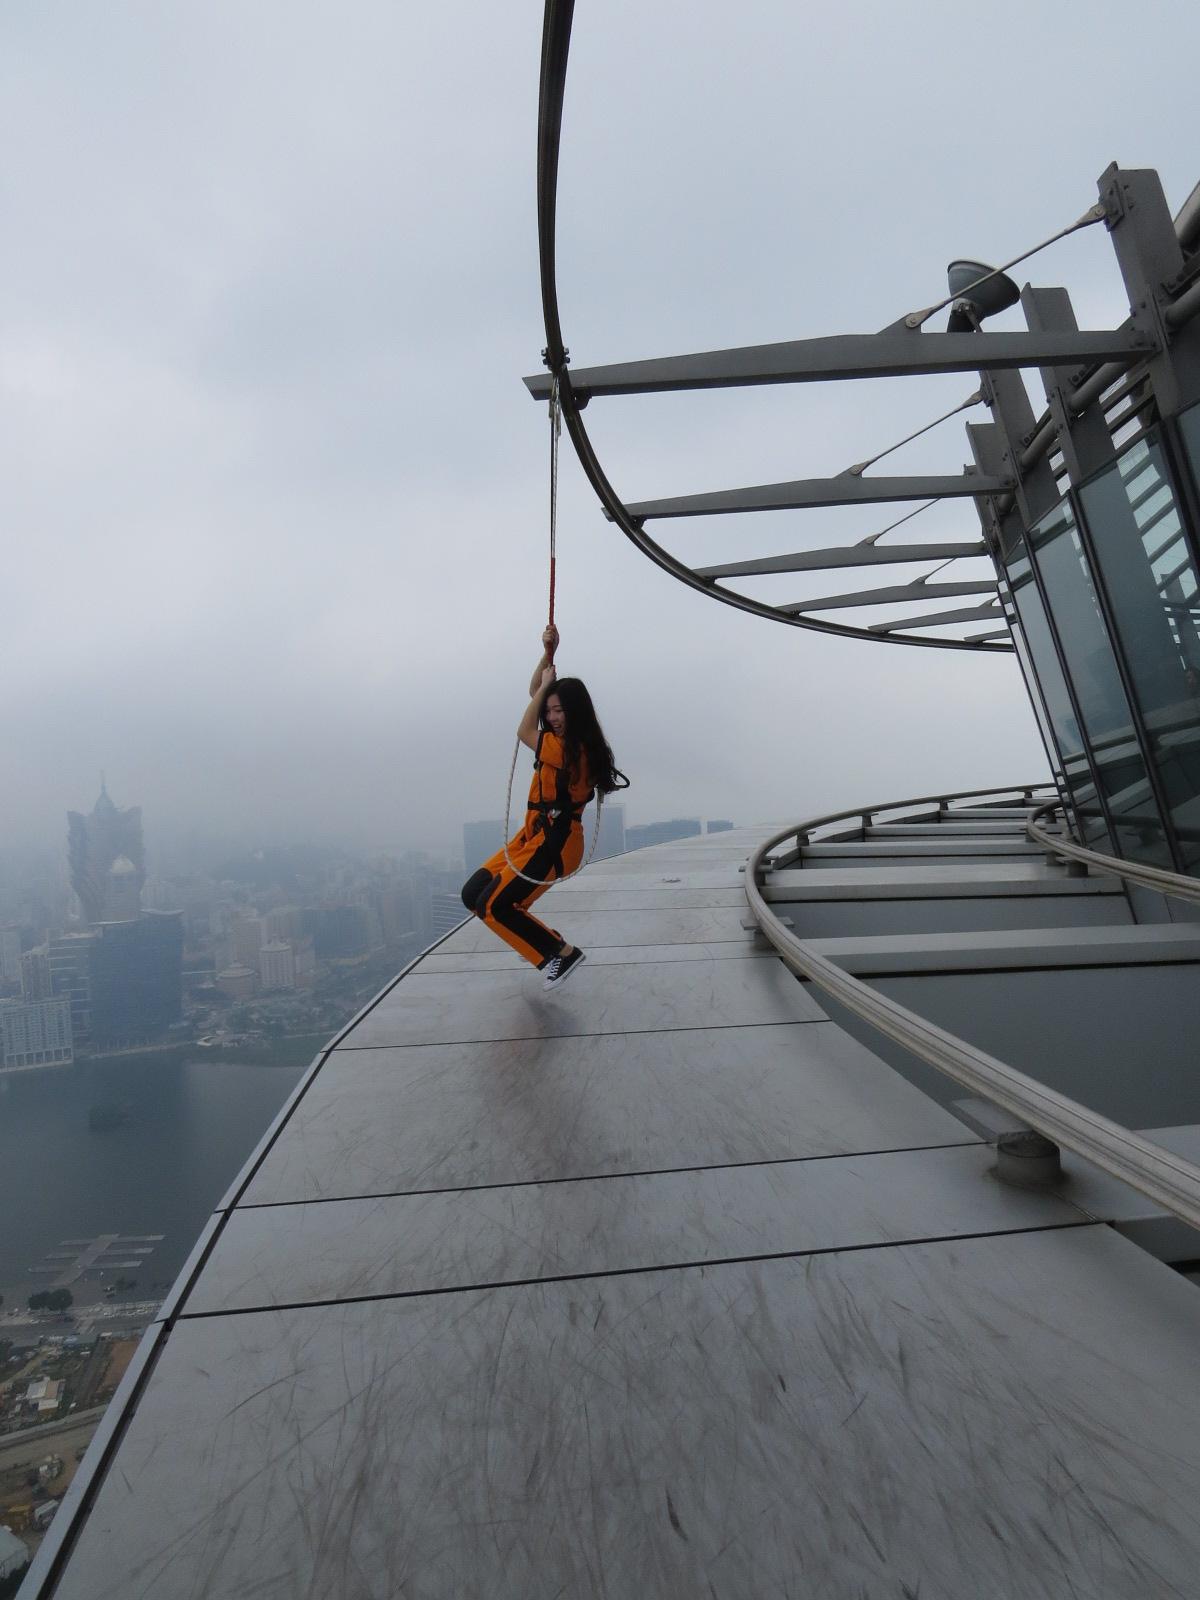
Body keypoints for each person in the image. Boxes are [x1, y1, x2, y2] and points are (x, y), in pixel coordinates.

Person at [460, 624, 624, 987]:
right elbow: (536, 693)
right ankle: (549, 945)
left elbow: (523, 729)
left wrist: (546, 681)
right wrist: (547, 656)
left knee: (495, 907)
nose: (551, 717)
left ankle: (560, 957)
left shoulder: (572, 749)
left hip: (556, 843)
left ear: (575, 713)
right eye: (549, 712)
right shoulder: (561, 737)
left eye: (559, 711)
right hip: (533, 838)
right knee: (473, 895)